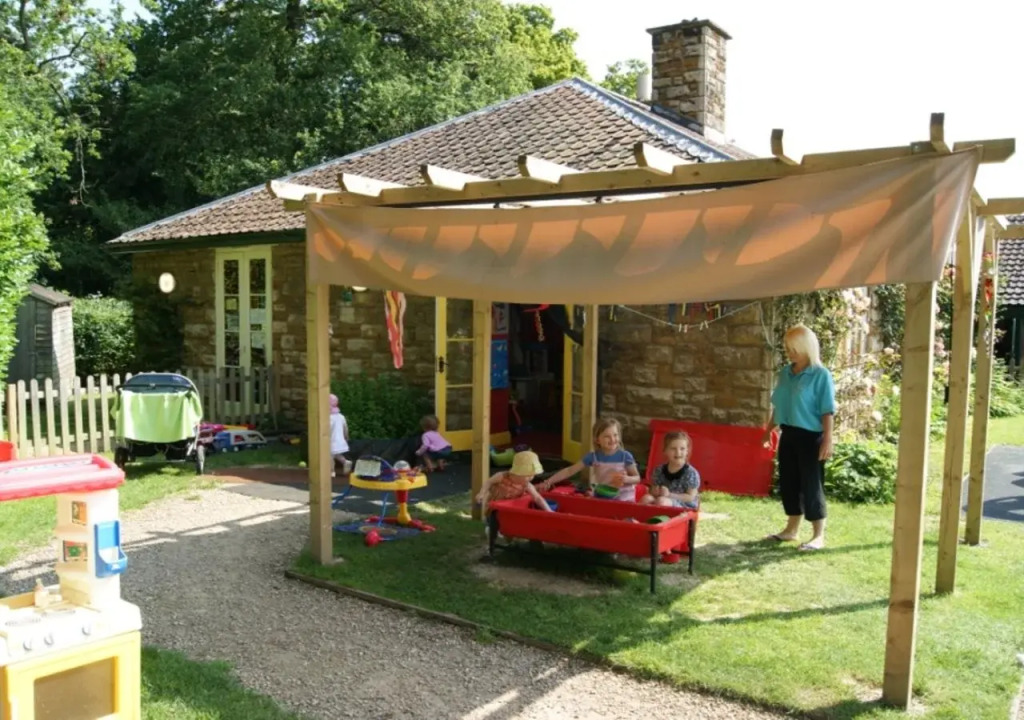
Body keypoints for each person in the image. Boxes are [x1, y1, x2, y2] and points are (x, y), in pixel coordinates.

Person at [761, 324, 836, 551]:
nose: (789, 352)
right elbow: (779, 405)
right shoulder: (785, 373)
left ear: (807, 347)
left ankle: (818, 535)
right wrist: (768, 430)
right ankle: (791, 529)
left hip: (811, 437)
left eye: (794, 348)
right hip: (789, 434)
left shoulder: (820, 375)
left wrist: (828, 439)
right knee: (789, 482)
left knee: (812, 484)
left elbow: (827, 410)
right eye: (787, 347)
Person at [540, 417, 640, 500]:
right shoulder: (593, 457)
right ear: (597, 440)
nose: (613, 439)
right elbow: (570, 471)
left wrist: (627, 479)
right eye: (607, 436)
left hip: (624, 497)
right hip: (604, 496)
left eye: (615, 435)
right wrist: (549, 481)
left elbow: (637, 478)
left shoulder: (625, 456)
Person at [475, 450, 553, 516]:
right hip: (495, 504)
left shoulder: (526, 485)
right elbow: (489, 482)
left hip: (509, 507)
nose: (531, 478)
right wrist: (481, 493)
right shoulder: (502, 476)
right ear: (518, 472)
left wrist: (549, 511)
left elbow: (537, 498)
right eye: (528, 475)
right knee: (492, 517)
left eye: (533, 475)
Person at [641, 431, 700, 509]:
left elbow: (690, 497)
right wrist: (655, 491)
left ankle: (661, 517)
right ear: (665, 451)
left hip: (684, 505)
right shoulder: (659, 470)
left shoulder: (691, 473)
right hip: (662, 499)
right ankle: (640, 516)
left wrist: (669, 495)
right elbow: (652, 490)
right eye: (673, 449)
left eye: (682, 449)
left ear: (687, 451)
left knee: (661, 501)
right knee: (646, 498)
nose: (678, 452)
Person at [328, 393, 351, 478]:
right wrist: (346, 436)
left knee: (330, 456)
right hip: (340, 439)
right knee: (336, 454)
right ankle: (345, 462)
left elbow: (328, 429)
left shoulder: (329, 418)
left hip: (332, 440)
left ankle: (332, 471)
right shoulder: (341, 416)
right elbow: (345, 428)